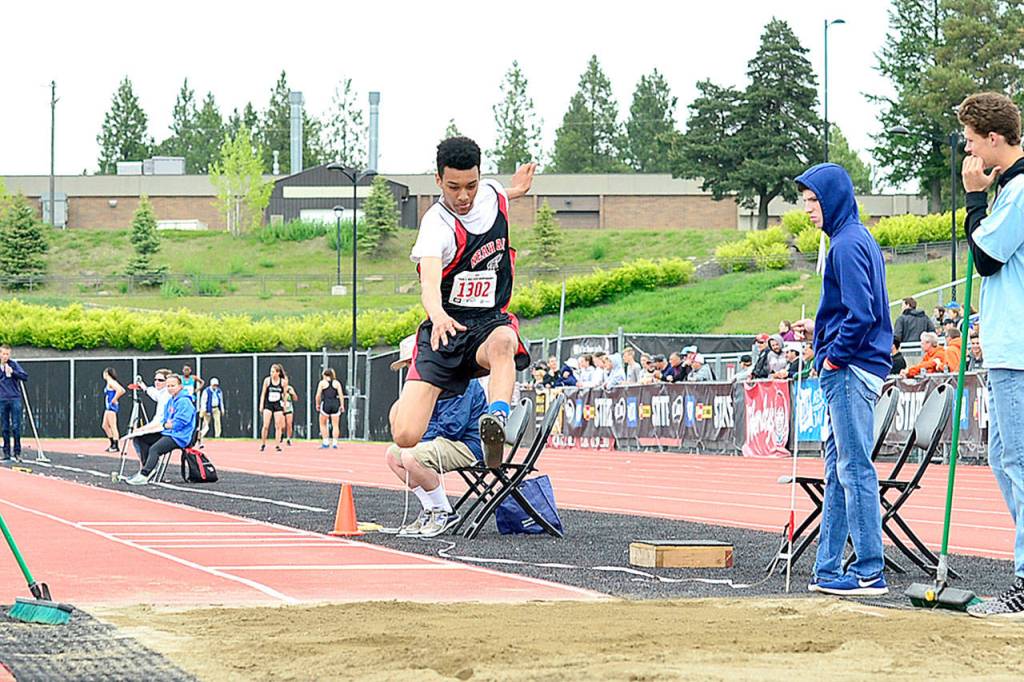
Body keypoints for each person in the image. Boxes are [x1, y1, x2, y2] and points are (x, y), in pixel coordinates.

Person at [392, 136, 535, 468]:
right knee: (405, 436)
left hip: (487, 324)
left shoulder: (491, 195)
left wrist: (519, 189)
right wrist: (438, 314)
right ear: (438, 180)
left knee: (505, 342)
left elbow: (502, 194)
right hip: (446, 328)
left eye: (471, 185)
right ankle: (419, 394)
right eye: (454, 187)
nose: (464, 196)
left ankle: (496, 419)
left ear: (480, 177)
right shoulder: (436, 225)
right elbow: (429, 280)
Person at [797, 162, 893, 596]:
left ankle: (870, 569)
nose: (808, 210)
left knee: (854, 469)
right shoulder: (854, 239)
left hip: (851, 371)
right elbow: (853, 310)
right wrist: (819, 334)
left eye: (814, 200)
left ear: (832, 198)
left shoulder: (846, 244)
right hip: (855, 366)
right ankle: (828, 567)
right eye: (805, 202)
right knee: (840, 470)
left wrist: (833, 356)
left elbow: (862, 313)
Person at [955, 92, 1024, 617]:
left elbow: (984, 257)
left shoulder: (1018, 188)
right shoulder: (1009, 187)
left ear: (993, 140)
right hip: (1004, 346)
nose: (967, 150)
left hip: (1018, 350)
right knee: (1005, 459)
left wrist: (975, 198)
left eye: (972, 140)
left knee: (1018, 461)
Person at [385, 341, 488, 537]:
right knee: (392, 455)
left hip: (468, 445)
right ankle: (429, 509)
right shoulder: (425, 384)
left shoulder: (460, 379)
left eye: (410, 363)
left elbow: (453, 428)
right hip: (443, 441)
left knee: (410, 456)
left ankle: (445, 511)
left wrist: (417, 437)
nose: (409, 370)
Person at [121, 374, 196, 486]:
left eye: (173, 385)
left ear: (180, 386)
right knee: (141, 439)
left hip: (179, 436)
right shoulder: (170, 401)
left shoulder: (184, 401)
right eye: (168, 386)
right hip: (168, 432)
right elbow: (166, 420)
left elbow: (180, 422)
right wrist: (167, 425)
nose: (170, 388)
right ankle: (147, 469)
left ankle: (145, 474)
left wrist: (168, 425)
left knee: (155, 449)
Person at [0, 345, 28, 463]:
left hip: (14, 398)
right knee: (5, 427)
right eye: (3, 354)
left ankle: (17, 452)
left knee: (16, 426)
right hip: (2, 399)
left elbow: (24, 376)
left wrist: (13, 372)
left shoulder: (13, 364)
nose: (5, 356)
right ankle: (6, 453)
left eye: (7, 354)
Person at [259, 363, 288, 452]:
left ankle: (277, 445)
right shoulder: (267, 381)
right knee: (266, 425)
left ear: (278, 373)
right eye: (270, 372)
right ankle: (263, 443)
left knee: (278, 426)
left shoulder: (283, 382)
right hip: (268, 405)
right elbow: (263, 394)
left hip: (277, 405)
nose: (271, 373)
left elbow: (284, 395)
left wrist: (285, 406)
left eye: (273, 372)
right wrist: (261, 405)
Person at [315, 367, 345, 449]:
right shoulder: (337, 383)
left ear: (324, 375)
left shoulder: (322, 383)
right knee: (335, 425)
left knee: (322, 423)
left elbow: (318, 395)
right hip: (335, 403)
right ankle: (335, 443)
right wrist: (342, 405)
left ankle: (325, 442)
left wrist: (317, 404)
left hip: (326, 404)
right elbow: (341, 395)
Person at [101, 367, 125, 453]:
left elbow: (121, 390)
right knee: (105, 425)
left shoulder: (111, 382)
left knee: (113, 425)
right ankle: (112, 443)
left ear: (107, 373)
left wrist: (114, 399)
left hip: (111, 406)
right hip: (108, 407)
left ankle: (116, 445)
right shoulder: (109, 383)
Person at [198, 377, 225, 442]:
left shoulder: (219, 391)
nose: (215, 386)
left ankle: (217, 435)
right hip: (207, 408)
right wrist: (205, 410)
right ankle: (201, 435)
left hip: (216, 408)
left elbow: (221, 400)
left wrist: (222, 409)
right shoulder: (206, 391)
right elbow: (203, 401)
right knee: (206, 423)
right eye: (214, 385)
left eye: (216, 385)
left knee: (217, 421)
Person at [282, 381, 299, 447]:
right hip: (281, 407)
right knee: (282, 425)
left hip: (289, 408)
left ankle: (288, 438)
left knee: (289, 424)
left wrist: (293, 394)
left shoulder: (290, 388)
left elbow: (295, 399)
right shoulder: (279, 387)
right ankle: (281, 435)